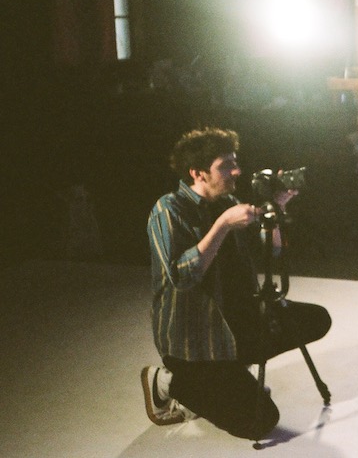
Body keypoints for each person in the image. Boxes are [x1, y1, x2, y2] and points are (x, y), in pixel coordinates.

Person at [141, 127, 332, 439]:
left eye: (235, 162)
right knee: (261, 422)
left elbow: (271, 250)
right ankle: (167, 382)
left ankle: (233, 370)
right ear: (198, 173)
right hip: (195, 344)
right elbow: (182, 277)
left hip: (235, 323)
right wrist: (222, 225)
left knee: (316, 319)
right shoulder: (169, 209)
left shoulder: (226, 202)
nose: (237, 171)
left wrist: (277, 208)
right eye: (226, 165)